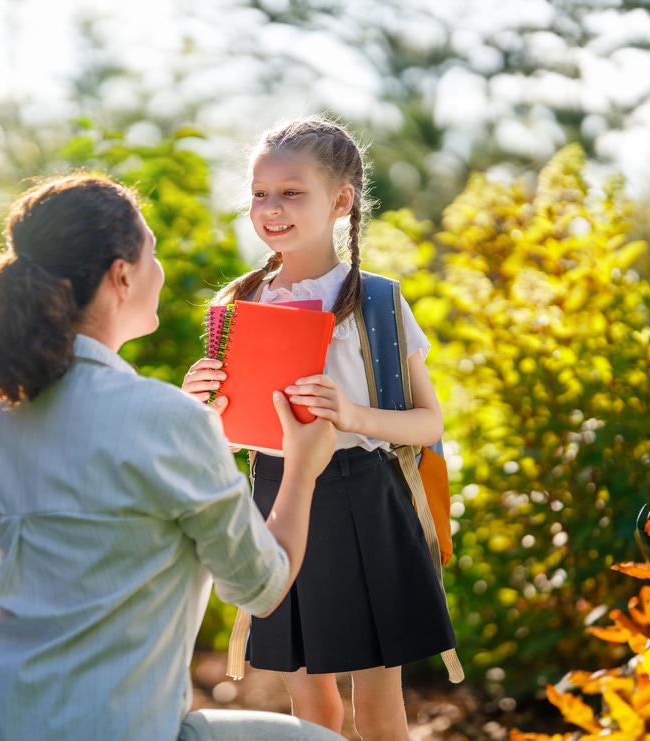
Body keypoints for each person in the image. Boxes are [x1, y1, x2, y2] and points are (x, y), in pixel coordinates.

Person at [0, 172, 344, 741]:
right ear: (122, 276)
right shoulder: (167, 421)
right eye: (152, 254)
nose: (159, 271)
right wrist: (303, 468)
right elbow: (262, 586)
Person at [181, 116, 457, 740]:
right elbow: (223, 434)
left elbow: (428, 421)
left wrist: (350, 415)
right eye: (259, 193)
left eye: (291, 191)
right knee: (315, 711)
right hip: (279, 499)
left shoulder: (379, 301)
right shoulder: (238, 301)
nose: (271, 208)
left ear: (341, 201)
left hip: (367, 497)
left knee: (380, 714)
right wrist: (196, 402)